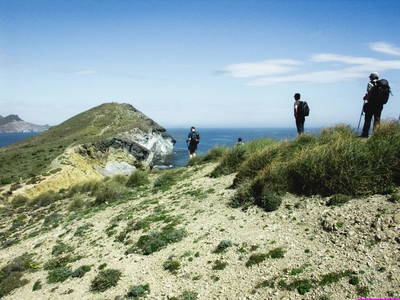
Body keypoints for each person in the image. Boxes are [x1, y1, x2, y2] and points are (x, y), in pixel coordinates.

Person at [360, 72, 383, 138]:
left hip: (371, 104)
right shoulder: (380, 85)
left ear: (372, 77)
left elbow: (369, 94)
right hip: (379, 104)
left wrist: (365, 98)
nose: (369, 78)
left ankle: (365, 134)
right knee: (377, 119)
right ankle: (377, 134)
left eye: (370, 77)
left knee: (368, 119)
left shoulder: (370, 84)